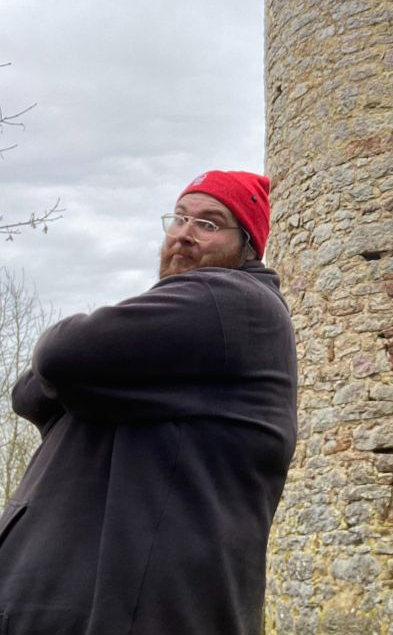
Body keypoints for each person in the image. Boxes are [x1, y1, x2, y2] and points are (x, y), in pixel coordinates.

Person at [0, 170, 297, 635]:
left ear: (247, 245)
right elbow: (26, 392)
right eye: (179, 218)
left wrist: (85, 371)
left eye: (209, 223)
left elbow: (60, 355)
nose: (183, 234)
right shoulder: (191, 326)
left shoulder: (235, 302)